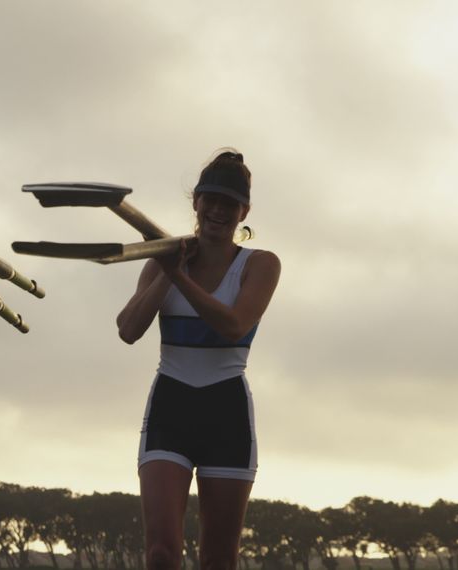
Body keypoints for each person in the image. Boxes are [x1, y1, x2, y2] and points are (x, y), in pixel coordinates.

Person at [116, 150, 281, 570]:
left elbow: (233, 325)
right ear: (197, 202)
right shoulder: (164, 257)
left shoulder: (260, 264)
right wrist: (167, 267)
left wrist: (178, 276)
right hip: (171, 407)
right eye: (212, 199)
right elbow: (128, 329)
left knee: (219, 558)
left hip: (226, 413)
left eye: (230, 203)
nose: (219, 210)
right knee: (161, 552)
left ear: (244, 210)